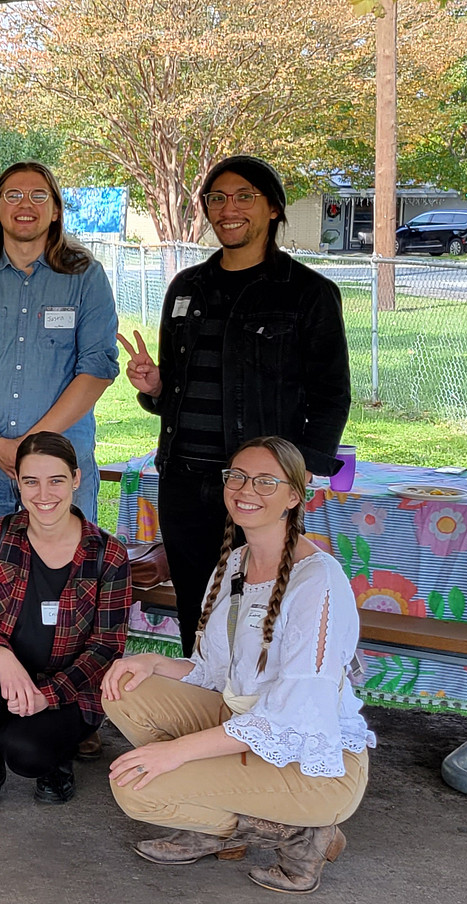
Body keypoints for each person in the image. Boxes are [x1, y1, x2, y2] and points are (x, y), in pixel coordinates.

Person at [102, 437, 372, 895]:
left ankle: (304, 833)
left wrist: (177, 752)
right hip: (245, 719)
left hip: (314, 765)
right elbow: (212, 671)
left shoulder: (317, 580)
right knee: (127, 686)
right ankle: (215, 825)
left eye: (267, 480)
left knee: (138, 789)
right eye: (238, 476)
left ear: (294, 494)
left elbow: (294, 714)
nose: (247, 489)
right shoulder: (236, 562)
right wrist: (151, 660)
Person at [119, 155, 350, 655]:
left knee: (261, 616)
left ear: (272, 209)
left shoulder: (308, 294)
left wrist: (298, 473)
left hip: (257, 488)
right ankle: (204, 719)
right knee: (196, 613)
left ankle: (254, 725)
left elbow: (332, 395)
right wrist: (155, 387)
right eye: (217, 198)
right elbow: (176, 390)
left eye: (245, 196)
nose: (229, 209)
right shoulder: (186, 288)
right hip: (183, 483)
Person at [0, 161, 119, 741]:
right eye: (13, 195)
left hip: (57, 465)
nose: (26, 205)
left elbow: (97, 368)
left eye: (39, 195)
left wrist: (34, 453)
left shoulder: (85, 277)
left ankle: (72, 707)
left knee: (66, 584)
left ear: (56, 209)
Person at [0, 431, 131, 813]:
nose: (43, 494)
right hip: (8, 678)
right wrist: (2, 656)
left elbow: (107, 647)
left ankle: (56, 757)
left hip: (73, 689)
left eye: (56, 480)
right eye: (31, 481)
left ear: (77, 479)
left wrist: (47, 695)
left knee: (27, 753)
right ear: (17, 481)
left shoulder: (107, 554)